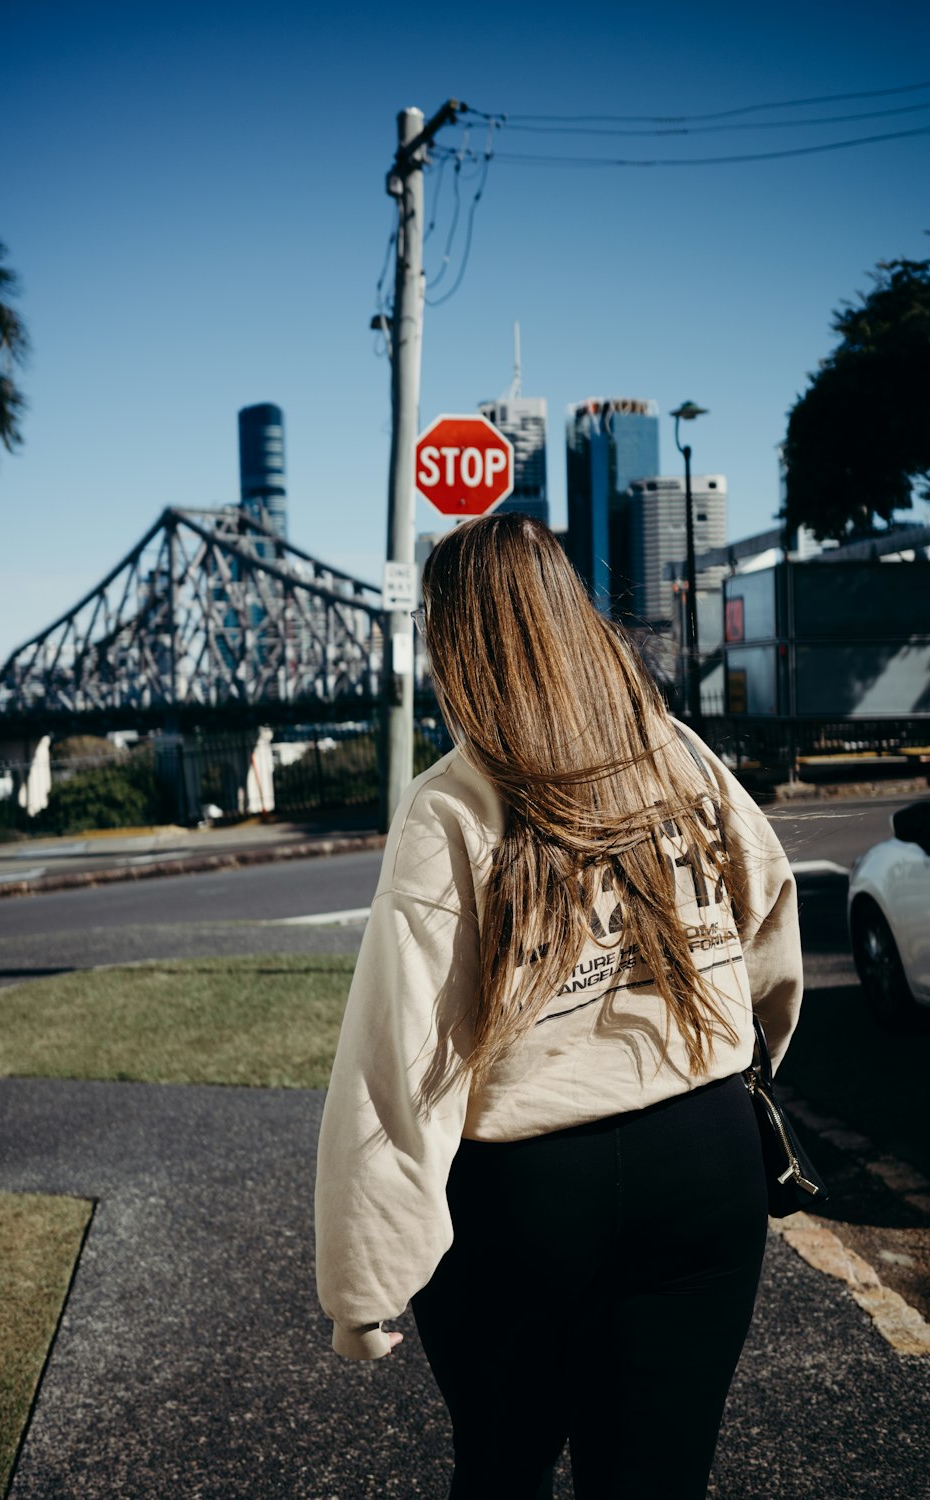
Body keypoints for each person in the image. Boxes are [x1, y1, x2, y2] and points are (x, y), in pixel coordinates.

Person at [314, 513, 802, 1500]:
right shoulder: (680, 762)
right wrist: (735, 1074)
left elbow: (397, 1066)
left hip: (528, 1195)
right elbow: (770, 936)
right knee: (656, 1479)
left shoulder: (452, 804)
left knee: (502, 1469)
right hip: (706, 1165)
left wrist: (362, 1282)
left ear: (455, 645)